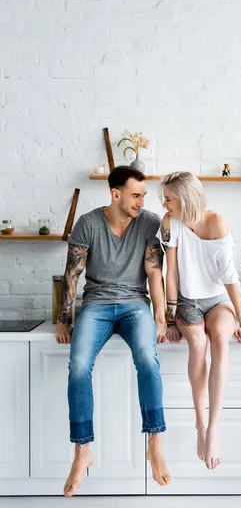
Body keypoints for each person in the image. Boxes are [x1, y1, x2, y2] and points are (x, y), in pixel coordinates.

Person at [55, 166, 171, 497]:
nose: (142, 201)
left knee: (148, 358)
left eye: (144, 195)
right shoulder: (88, 224)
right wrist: (64, 318)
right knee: (78, 366)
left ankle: (155, 441)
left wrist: (160, 316)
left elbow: (154, 273)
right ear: (115, 194)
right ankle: (82, 450)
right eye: (136, 195)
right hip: (97, 307)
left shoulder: (148, 222)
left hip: (136, 305)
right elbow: (72, 275)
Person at [157, 171, 241, 471]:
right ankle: (200, 424)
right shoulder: (169, 223)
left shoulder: (216, 222)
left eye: (168, 198)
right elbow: (170, 273)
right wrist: (171, 320)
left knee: (221, 341)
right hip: (186, 301)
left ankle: (214, 428)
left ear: (184, 199)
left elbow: (230, 277)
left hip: (217, 302)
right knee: (197, 343)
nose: (164, 204)